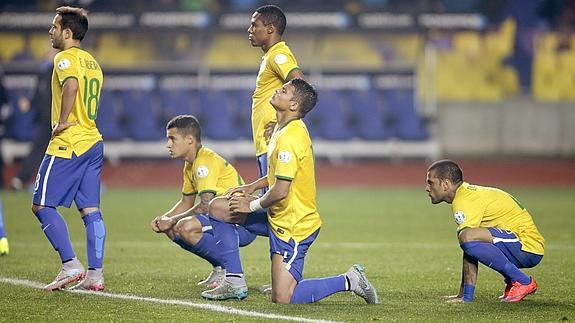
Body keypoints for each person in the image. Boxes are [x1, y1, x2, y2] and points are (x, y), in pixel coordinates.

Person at [204, 78, 380, 304]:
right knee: (218, 207)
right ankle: (234, 281)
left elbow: (280, 191)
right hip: (276, 215)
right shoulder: (281, 127)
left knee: (283, 297)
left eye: (284, 90)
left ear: (294, 105)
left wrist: (251, 204)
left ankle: (349, 280)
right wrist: (252, 187)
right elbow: (279, 175)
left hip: (293, 225)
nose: (278, 89)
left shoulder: (290, 137)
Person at [31, 6, 106, 291]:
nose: (50, 31)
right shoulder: (93, 62)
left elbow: (71, 87)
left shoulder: (63, 58)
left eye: (54, 26)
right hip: (93, 141)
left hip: (69, 142)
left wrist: (61, 122)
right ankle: (95, 275)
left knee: (41, 205)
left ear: (67, 32)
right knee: (91, 211)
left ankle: (70, 264)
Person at [150, 115, 256, 299]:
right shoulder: (190, 164)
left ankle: (228, 271)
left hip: (240, 224)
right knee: (173, 228)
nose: (168, 144)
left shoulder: (204, 162)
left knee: (184, 226)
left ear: (189, 140)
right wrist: (164, 219)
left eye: (172, 138)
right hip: (223, 221)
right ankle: (220, 267)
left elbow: (206, 205)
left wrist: (173, 220)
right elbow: (186, 202)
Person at [425, 160, 544, 303]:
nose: (427, 188)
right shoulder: (466, 194)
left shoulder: (464, 200)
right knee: (468, 239)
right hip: (520, 244)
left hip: (527, 246)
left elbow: (468, 239)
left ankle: (522, 281)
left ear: (445, 184)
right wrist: (465, 296)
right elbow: (471, 249)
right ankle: (514, 281)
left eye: (430, 182)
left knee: (467, 236)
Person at [248, 5, 304, 185]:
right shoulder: (271, 56)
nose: (250, 30)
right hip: (265, 143)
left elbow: (302, 86)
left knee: (273, 204)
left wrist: (283, 124)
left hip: (271, 142)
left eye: (254, 25)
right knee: (269, 205)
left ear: (270, 28)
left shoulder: (278, 56)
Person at [11, 48, 56, 191]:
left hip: (57, 119)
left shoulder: (58, 71)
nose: (48, 53)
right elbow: (38, 94)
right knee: (39, 151)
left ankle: (21, 179)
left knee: (48, 152)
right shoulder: (43, 72)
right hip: (47, 120)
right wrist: (29, 102)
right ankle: (21, 179)